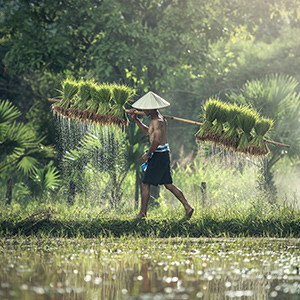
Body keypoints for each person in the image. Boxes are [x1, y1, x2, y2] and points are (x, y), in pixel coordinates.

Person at [128, 91, 194, 219]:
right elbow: (148, 132)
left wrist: (148, 154)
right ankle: (188, 207)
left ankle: (142, 213)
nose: (143, 110)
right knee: (168, 184)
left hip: (158, 155)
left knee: (145, 183)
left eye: (145, 108)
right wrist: (136, 119)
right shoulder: (158, 119)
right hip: (163, 154)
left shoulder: (158, 121)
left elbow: (157, 141)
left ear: (150, 108)